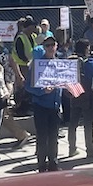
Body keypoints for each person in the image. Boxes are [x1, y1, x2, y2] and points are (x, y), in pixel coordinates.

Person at [26, 40, 64, 172]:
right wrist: (42, 91)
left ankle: (53, 163)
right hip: (41, 106)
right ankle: (41, 165)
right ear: (44, 48)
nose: (50, 48)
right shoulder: (36, 65)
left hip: (55, 106)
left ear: (56, 46)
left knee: (54, 136)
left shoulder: (60, 63)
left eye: (52, 45)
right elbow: (27, 86)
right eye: (47, 46)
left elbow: (65, 82)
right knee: (42, 137)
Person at [67, 39, 93, 159]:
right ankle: (90, 149)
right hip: (88, 96)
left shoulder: (71, 60)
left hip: (74, 95)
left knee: (73, 124)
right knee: (88, 124)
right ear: (86, 49)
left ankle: (72, 148)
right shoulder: (89, 62)